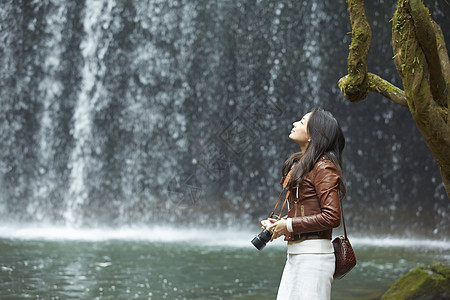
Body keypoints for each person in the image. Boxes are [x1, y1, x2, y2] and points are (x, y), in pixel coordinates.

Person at [264, 107, 346, 300]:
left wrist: (289, 225)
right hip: (297, 255)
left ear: (313, 136)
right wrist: (280, 225)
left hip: (314, 259)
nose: (294, 124)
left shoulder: (324, 166)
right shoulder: (304, 166)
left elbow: (332, 216)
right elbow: (307, 209)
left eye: (301, 122)